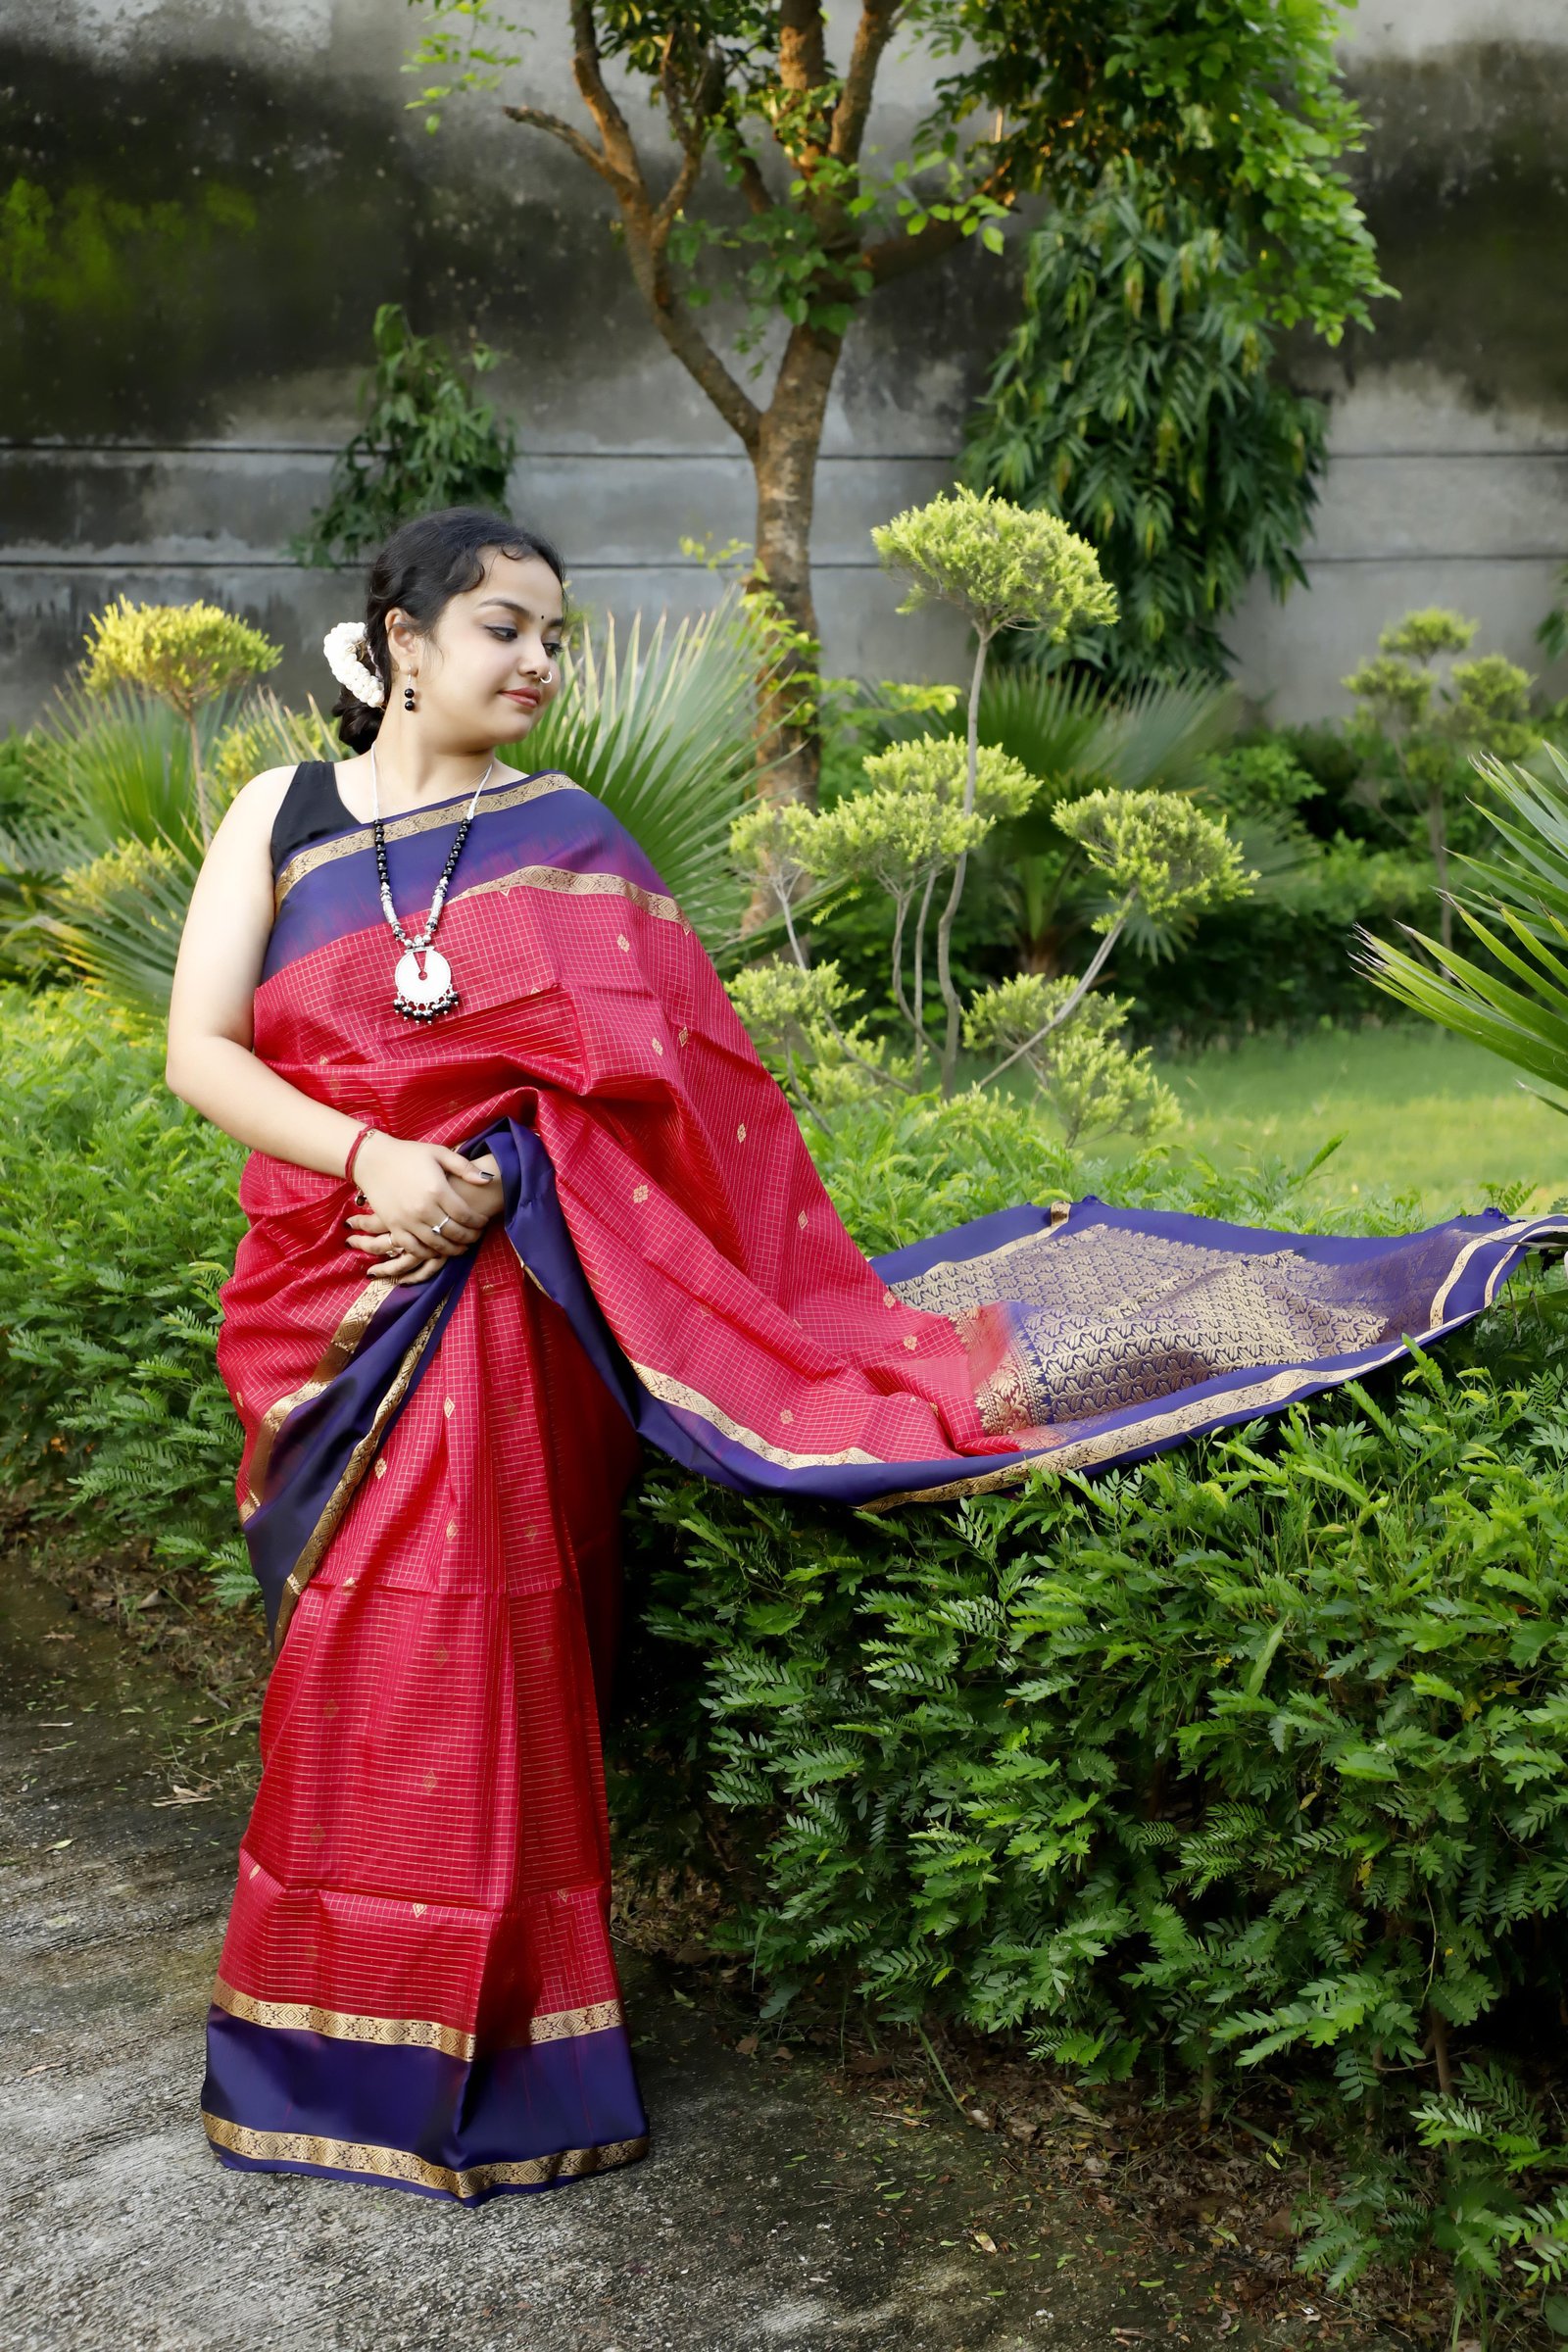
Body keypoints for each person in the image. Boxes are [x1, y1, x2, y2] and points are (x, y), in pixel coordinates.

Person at [166, 504, 1562, 2206]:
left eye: (555, 637)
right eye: (504, 629)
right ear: (401, 638)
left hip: (520, 1298)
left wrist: (504, 1175)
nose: (539, 662)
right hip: (332, 1295)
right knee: (351, 1653)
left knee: (490, 1646)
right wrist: (372, 1160)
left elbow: (684, 1092)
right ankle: (320, 2036)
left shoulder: (572, 834)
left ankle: (505, 2050)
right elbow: (200, 1049)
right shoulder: (281, 816)